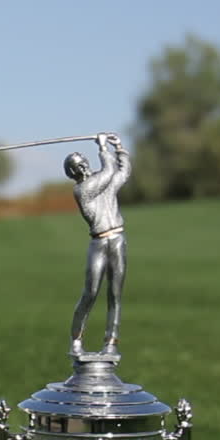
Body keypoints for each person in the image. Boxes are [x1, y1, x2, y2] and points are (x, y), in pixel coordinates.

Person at [64, 133, 130, 357]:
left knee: (115, 294)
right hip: (99, 243)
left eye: (82, 160)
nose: (82, 165)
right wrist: (103, 147)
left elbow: (122, 173)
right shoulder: (82, 190)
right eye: (77, 164)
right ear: (73, 172)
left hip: (118, 239)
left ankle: (111, 342)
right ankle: (75, 341)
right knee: (90, 292)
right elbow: (109, 172)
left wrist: (119, 148)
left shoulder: (105, 186)